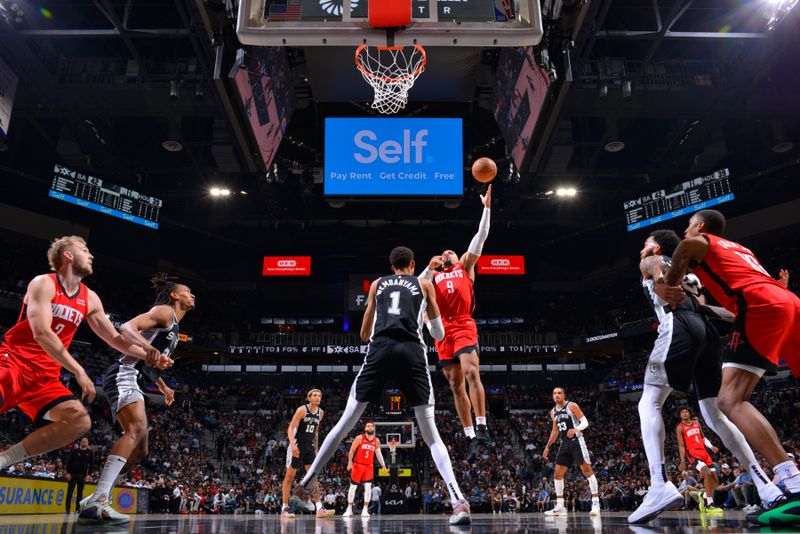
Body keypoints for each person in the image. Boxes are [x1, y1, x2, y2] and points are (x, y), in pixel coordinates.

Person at [294, 246, 471, 525]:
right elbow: (437, 333)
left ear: (391, 267)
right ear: (413, 264)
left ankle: (306, 480)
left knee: (344, 424)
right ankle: (458, 501)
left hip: (380, 349)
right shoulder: (425, 284)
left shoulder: (377, 284)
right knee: (431, 435)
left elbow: (365, 334)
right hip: (412, 352)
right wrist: (424, 317)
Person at [657, 209, 800, 526]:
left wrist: (668, 284)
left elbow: (682, 249)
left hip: (762, 304)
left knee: (730, 400)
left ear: (701, 226)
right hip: (786, 301)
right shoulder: (740, 250)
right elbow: (729, 311)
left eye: (689, 225)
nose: (685, 230)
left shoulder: (701, 241)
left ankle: (791, 481)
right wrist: (700, 305)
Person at [629, 229, 778, 523]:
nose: (642, 249)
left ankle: (659, 485)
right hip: (706, 333)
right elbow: (705, 307)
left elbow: (653, 268)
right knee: (714, 414)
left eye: (646, 244)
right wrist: (733, 315)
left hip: (678, 325)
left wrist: (659, 283)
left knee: (648, 403)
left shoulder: (653, 260)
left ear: (656, 247)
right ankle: (765, 484)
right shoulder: (690, 274)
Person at [0, 236, 169, 486]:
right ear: (68, 255)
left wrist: (150, 355)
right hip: (14, 362)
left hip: (45, 378)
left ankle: (4, 459)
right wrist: (78, 369)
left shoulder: (90, 298)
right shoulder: (44, 284)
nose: (91, 256)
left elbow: (114, 338)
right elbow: (42, 332)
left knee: (79, 421)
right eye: (85, 250)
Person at [79, 273, 194, 524]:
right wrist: (149, 348)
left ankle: (97, 497)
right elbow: (127, 328)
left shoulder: (175, 326)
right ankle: (99, 499)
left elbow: (149, 364)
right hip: (123, 373)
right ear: (175, 295)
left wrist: (162, 385)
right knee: (136, 428)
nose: (192, 294)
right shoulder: (164, 311)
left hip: (137, 378)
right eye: (187, 291)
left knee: (141, 451)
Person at [419, 186, 492, 461]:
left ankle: (483, 426)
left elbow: (480, 237)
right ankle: (470, 435)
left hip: (463, 324)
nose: (447, 253)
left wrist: (486, 209)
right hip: (442, 329)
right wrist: (429, 267)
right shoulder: (431, 278)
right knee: (454, 384)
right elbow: (418, 296)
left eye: (450, 251)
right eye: (444, 252)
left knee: (472, 372)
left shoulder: (465, 265)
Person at [542, 387, 600, 516]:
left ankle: (595, 502)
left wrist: (576, 429)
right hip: (564, 444)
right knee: (557, 474)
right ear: (553, 396)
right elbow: (555, 431)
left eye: (559, 393)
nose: (557, 395)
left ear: (564, 395)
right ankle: (560, 506)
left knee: (587, 471)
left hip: (576, 441)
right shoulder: (552, 412)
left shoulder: (571, 405)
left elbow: (585, 422)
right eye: (555, 393)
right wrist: (547, 446)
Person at [281, 388, 334, 518]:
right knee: (289, 477)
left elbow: (315, 432)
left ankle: (319, 508)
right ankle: (285, 508)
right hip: (298, 445)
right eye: (314, 395)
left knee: (313, 478)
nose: (317, 397)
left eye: (319, 396)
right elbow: (291, 427)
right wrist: (293, 445)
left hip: (310, 447)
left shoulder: (320, 413)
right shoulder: (302, 410)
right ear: (309, 398)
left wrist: (316, 449)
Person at [675, 407, 724, 514]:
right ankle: (710, 505)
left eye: (686, 411)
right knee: (707, 473)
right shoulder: (680, 428)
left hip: (704, 453)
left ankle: (703, 495)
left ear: (689, 413)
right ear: (680, 415)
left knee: (715, 480)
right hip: (693, 454)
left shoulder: (696, 423)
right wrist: (682, 461)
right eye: (682, 412)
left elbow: (703, 438)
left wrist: (711, 447)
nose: (684, 413)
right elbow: (681, 446)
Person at [344, 421, 388, 517]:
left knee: (368, 487)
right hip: (357, 465)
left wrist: (383, 465)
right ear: (365, 429)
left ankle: (365, 509)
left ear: (374, 429)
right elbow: (352, 450)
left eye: (371, 426)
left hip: (369, 466)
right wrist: (350, 462)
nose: (370, 427)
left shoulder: (376, 441)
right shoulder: (359, 438)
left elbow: (378, 454)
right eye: (368, 426)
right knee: (353, 487)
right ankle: (349, 508)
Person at [65, 438, 93, 514]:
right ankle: (67, 509)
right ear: (80, 443)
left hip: (82, 476)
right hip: (73, 474)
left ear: (88, 443)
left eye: (86, 442)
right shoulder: (75, 451)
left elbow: (91, 465)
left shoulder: (89, 452)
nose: (84, 443)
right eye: (83, 442)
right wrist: (68, 473)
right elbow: (69, 462)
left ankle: (77, 509)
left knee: (80, 493)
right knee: (69, 492)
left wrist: (89, 475)